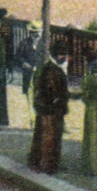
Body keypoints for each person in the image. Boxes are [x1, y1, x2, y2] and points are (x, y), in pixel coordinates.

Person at [27, 44, 69, 173]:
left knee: (45, 135)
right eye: (64, 55)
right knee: (50, 136)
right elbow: (52, 91)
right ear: (59, 56)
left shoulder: (51, 68)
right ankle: (48, 164)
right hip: (51, 109)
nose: (66, 58)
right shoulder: (53, 70)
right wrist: (60, 100)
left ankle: (41, 162)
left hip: (47, 108)